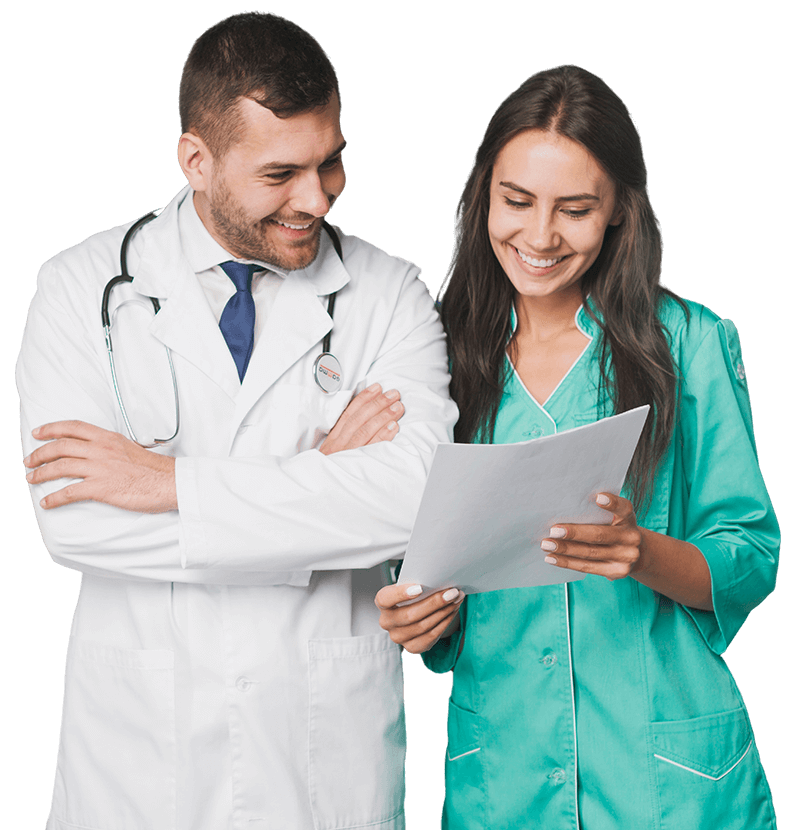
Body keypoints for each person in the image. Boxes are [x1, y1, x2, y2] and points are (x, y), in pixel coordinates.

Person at [18, 12, 456, 830]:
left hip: (323, 763)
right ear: (197, 160)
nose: (316, 198)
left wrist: (168, 485)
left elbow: (416, 499)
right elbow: (74, 525)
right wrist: (323, 483)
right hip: (141, 767)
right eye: (280, 173)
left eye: (331, 161)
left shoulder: (391, 292)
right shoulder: (79, 288)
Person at [375, 65, 779, 828]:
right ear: (482, 194)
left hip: (666, 783)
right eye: (516, 201)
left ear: (620, 208)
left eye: (576, 210)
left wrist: (642, 551)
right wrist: (420, 615)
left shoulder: (689, 343)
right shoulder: (432, 355)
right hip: (506, 775)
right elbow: (413, 553)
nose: (539, 237)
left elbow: (751, 555)